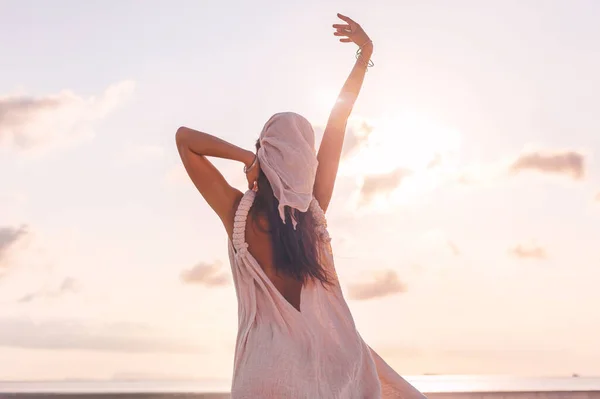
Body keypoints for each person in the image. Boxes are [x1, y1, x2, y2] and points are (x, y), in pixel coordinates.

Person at [175, 13, 427, 399]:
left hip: (262, 375)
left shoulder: (238, 215)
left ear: (266, 152)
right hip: (326, 368)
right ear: (306, 162)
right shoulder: (314, 212)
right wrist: (364, 56)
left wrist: (246, 157)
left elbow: (185, 139)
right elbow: (339, 121)